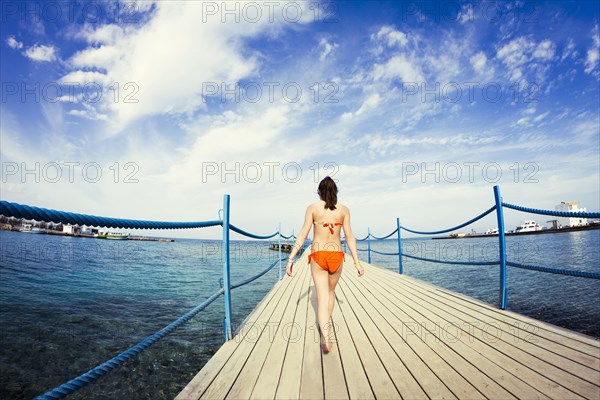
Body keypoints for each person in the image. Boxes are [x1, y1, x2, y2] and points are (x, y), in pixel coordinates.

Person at [285, 176, 364, 353]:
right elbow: (350, 237)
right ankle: (326, 324)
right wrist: (357, 263)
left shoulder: (312, 208)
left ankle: (326, 338)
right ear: (335, 192)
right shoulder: (344, 210)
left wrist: (291, 259)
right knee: (330, 293)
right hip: (336, 255)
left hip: (319, 255)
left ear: (319, 192)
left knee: (322, 297)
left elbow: (303, 235)